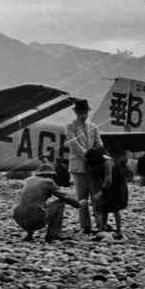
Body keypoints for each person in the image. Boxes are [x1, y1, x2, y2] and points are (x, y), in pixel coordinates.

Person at [13, 162, 86, 243]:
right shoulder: (48, 182)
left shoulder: (29, 180)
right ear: (51, 174)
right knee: (60, 203)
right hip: (35, 220)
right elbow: (65, 197)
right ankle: (54, 234)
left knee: (33, 205)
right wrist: (79, 204)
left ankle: (29, 234)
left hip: (19, 219)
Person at [65, 98, 105, 234]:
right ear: (75, 112)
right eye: (80, 112)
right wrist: (89, 157)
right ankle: (86, 226)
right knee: (82, 198)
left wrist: (95, 157)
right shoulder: (70, 127)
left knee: (96, 196)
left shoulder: (94, 127)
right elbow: (74, 145)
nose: (83, 115)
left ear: (88, 112)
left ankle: (101, 225)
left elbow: (99, 145)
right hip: (79, 167)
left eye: (85, 112)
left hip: (93, 167)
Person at [91, 150, 128, 239]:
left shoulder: (108, 163)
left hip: (116, 188)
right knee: (104, 208)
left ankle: (118, 231)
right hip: (113, 187)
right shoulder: (107, 160)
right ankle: (103, 228)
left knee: (115, 209)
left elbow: (108, 180)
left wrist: (101, 192)